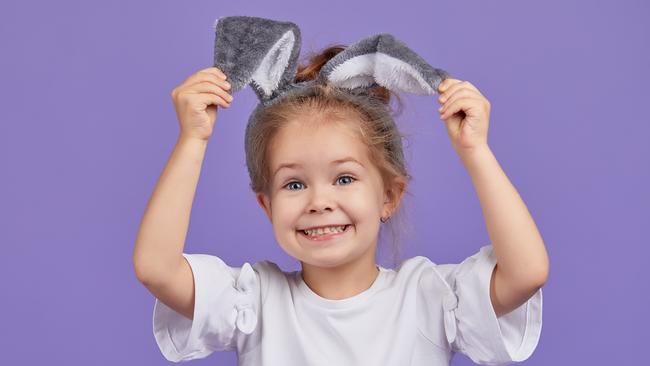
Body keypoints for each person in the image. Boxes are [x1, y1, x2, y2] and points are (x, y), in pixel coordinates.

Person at [133, 42, 548, 365]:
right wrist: (192, 141)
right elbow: (156, 268)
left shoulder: (427, 297)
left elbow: (526, 272)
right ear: (267, 206)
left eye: (344, 178)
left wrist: (476, 151)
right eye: (294, 184)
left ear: (389, 196)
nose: (319, 201)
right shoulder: (254, 301)